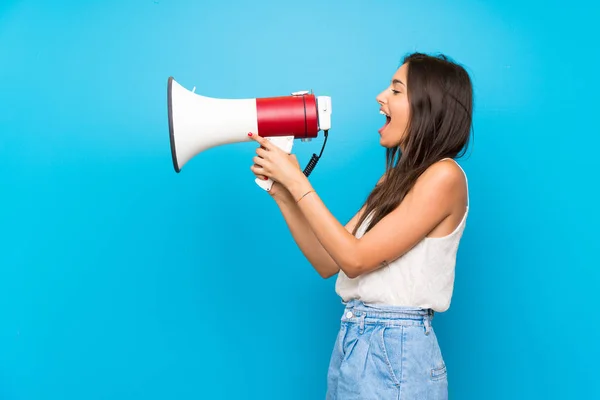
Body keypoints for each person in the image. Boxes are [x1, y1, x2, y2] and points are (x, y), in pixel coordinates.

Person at [249, 52, 472, 400]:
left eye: (396, 91)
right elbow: (329, 261)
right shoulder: (394, 181)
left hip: (395, 346)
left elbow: (355, 259)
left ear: (429, 106)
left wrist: (298, 182)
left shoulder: (444, 177)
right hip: (357, 340)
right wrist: (282, 192)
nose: (381, 97)